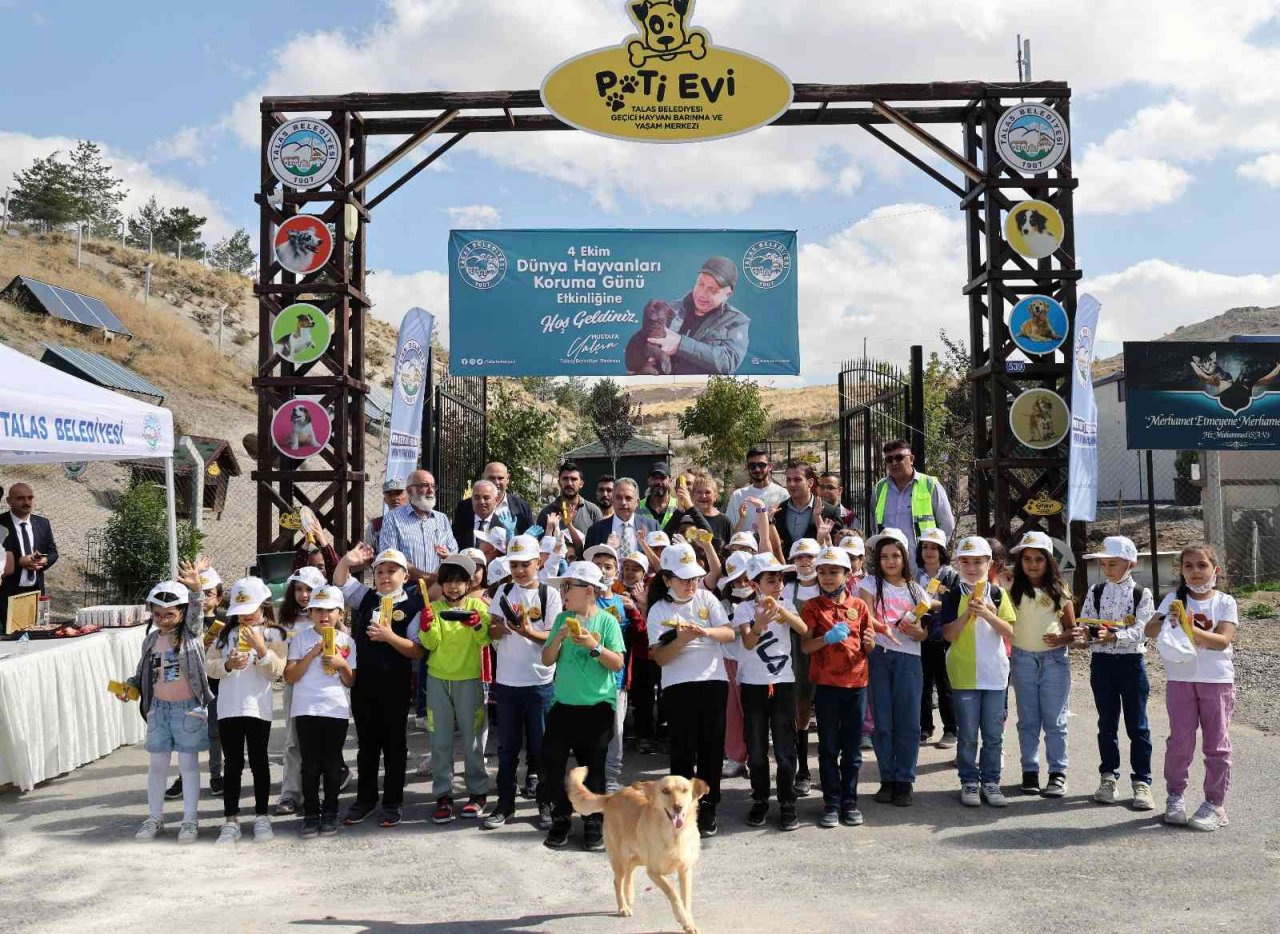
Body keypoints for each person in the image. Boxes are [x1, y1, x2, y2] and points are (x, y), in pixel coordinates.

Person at [333, 545, 428, 828]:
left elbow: (417, 651)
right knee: (367, 745)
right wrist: (346, 561)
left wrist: (389, 636)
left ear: (405, 576)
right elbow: (340, 582)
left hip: (395, 684)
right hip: (364, 683)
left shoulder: (412, 605)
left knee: (394, 745)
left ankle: (392, 802)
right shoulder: (366, 598)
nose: (385, 577)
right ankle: (365, 799)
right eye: (380, 572)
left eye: (392, 571)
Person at [1145, 543, 1238, 832]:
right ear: (1181, 571)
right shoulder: (1174, 598)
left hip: (1216, 680)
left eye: (1202, 565)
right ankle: (1175, 797)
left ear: (1215, 570)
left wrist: (1188, 626)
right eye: (1188, 566)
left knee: (1217, 746)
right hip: (1181, 680)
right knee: (1180, 743)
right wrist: (1164, 619)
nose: (1195, 572)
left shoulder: (1225, 601)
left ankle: (1215, 804)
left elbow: (1222, 640)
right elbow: (1149, 631)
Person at [647, 542, 737, 838]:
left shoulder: (707, 599)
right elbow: (659, 657)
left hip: (713, 681)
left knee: (712, 748)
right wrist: (682, 639)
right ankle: (680, 807)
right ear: (667, 579)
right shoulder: (659, 610)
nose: (690, 584)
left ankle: (709, 804)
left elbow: (728, 633)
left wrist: (705, 632)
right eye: (684, 579)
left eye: (694, 578)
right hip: (678, 686)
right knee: (683, 750)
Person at [123, 564, 214, 843]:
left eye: (170, 614)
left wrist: (196, 588)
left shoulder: (190, 635)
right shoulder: (151, 640)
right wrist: (131, 686)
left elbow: (198, 613)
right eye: (158, 614)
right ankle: (154, 817)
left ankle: (189, 820)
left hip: (188, 707)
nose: (163, 619)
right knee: (157, 765)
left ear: (182, 613)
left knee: (188, 765)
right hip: (158, 709)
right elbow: (142, 672)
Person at [537, 561, 625, 850]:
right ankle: (561, 819)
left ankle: (593, 823)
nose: (563, 593)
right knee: (553, 765)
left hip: (598, 707)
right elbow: (547, 660)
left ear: (589, 591)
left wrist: (593, 645)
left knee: (594, 770)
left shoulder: (607, 621)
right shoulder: (562, 619)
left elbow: (617, 662)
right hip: (563, 705)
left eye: (568, 587)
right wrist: (559, 638)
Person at [483, 535, 562, 830]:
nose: (518, 571)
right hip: (507, 683)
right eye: (514, 564)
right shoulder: (503, 590)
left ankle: (545, 803)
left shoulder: (549, 595)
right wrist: (497, 628)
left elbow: (554, 637)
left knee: (541, 748)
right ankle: (505, 804)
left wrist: (527, 631)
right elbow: (491, 628)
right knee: (507, 748)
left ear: (538, 563)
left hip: (540, 683)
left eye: (524, 564)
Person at [799, 546, 876, 829]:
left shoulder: (859, 606)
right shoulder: (812, 607)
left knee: (853, 749)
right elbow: (806, 646)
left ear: (846, 574)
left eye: (834, 572)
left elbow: (869, 646)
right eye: (822, 572)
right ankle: (831, 801)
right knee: (829, 747)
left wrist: (870, 642)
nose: (828, 577)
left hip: (857, 684)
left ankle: (850, 801)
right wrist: (826, 638)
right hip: (828, 686)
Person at [206, 577, 287, 843]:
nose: (244, 616)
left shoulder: (275, 633)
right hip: (229, 708)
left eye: (249, 610)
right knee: (233, 764)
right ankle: (231, 820)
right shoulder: (223, 633)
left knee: (259, 761)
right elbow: (210, 667)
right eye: (239, 612)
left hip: (258, 708)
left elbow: (276, 672)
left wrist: (261, 648)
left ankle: (262, 816)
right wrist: (228, 665)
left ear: (263, 605)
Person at [939, 537, 1017, 808]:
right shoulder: (950, 594)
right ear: (959, 563)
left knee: (994, 735)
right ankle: (969, 781)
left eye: (978, 562)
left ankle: (991, 782)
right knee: (968, 734)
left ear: (989, 564)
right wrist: (967, 616)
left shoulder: (998, 594)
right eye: (966, 562)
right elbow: (948, 635)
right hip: (963, 675)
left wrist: (988, 614)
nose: (972, 567)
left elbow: (1010, 632)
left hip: (995, 675)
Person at [1080, 536, 1155, 811]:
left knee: (1138, 725)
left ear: (1130, 563)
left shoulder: (1141, 594)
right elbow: (1087, 619)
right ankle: (1108, 777)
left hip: (1131, 663)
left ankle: (1142, 782)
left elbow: (1144, 631)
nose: (1107, 568)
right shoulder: (1096, 590)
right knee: (1106, 723)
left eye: (1113, 563)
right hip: (1102, 663)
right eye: (1103, 563)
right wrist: (1085, 633)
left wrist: (1115, 636)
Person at [735, 553, 807, 831]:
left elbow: (802, 629)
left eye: (780, 578)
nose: (778, 583)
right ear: (755, 585)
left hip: (783, 682)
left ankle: (787, 802)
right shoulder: (743, 610)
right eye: (770, 579)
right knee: (756, 749)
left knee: (785, 747)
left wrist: (781, 610)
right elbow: (749, 642)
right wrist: (760, 622)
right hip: (752, 684)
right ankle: (761, 799)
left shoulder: (787, 604)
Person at [419, 555, 491, 823]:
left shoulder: (477, 606)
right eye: (447, 582)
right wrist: (426, 626)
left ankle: (477, 793)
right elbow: (430, 643)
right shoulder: (434, 607)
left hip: (470, 679)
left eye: (459, 582)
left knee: (472, 741)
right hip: (437, 680)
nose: (452, 587)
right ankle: (443, 795)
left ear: (468, 583)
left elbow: (485, 639)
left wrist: (477, 625)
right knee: (440, 741)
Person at [1007, 531, 1079, 799]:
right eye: (1027, 559)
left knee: (1055, 720)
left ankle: (1057, 773)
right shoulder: (1011, 589)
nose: (1032, 564)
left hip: (1054, 661)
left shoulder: (1059, 590)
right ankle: (1029, 771)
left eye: (1039, 559)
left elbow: (1073, 629)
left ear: (1049, 561)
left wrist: (1061, 638)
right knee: (1027, 720)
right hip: (1022, 658)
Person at [860, 529, 928, 808]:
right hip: (878, 657)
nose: (890, 561)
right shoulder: (868, 583)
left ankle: (905, 780)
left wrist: (915, 631)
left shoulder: (916, 589)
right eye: (884, 556)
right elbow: (865, 617)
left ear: (904, 557)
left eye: (895, 555)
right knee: (882, 723)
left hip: (908, 659)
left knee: (908, 723)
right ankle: (887, 778)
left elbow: (923, 633)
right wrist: (884, 628)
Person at [285, 584, 357, 838]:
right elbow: (290, 676)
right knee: (310, 765)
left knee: (332, 763)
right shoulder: (301, 639)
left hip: (335, 709)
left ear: (340, 612)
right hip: (306, 708)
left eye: (330, 611)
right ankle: (311, 813)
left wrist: (341, 663)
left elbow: (351, 681)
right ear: (310, 613)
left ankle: (331, 811)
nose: (324, 616)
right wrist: (312, 653)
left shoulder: (347, 642)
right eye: (317, 610)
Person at [585, 544, 643, 794]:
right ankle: (591, 776)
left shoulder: (623, 602)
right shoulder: (584, 600)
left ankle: (611, 777)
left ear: (616, 571)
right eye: (597, 566)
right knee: (590, 731)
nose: (602, 571)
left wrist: (636, 611)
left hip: (617, 679)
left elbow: (642, 638)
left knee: (616, 731)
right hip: (587, 678)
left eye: (608, 566)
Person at [646, 256, 750, 375]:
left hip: (703, 391)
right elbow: (647, 343)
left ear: (728, 295)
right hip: (659, 389)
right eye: (700, 284)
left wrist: (680, 344)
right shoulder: (670, 308)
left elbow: (727, 362)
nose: (702, 294)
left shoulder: (736, 321)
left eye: (713, 290)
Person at [869, 440, 955, 574]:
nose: (894, 463)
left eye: (899, 457)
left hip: (921, 567)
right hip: (890, 567)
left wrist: (933, 556)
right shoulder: (880, 488)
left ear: (912, 459)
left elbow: (947, 525)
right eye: (889, 459)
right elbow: (875, 527)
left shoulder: (930, 484)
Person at [915, 528, 959, 749]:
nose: (929, 551)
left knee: (945, 684)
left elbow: (956, 603)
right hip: (921, 636)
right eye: (925, 547)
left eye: (934, 547)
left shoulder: (951, 575)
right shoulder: (915, 574)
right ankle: (925, 728)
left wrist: (935, 603)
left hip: (944, 635)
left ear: (942, 551)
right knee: (922, 684)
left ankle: (951, 729)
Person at [784, 538, 822, 798]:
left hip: (826, 654)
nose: (805, 561)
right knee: (800, 713)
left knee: (831, 714)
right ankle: (803, 771)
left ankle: (831, 772)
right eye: (799, 557)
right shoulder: (786, 589)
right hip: (796, 655)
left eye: (809, 556)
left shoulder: (828, 585)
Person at [0, 482, 58, 633]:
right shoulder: (1, 524)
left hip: (35, 593)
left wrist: (45, 560)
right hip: (8, 594)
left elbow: (52, 551)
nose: (26, 502)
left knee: (35, 636)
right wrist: (19, 562)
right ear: (9, 501)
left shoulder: (42, 523)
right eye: (20, 498)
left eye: (30, 498)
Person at [774, 461, 843, 557]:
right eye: (788, 480)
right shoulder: (778, 511)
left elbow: (836, 548)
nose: (791, 484)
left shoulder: (829, 512)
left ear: (810, 483)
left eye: (797, 479)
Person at [536, 461, 604, 557]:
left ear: (581, 483)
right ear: (559, 482)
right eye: (565, 479)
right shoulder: (547, 513)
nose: (569, 483)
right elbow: (541, 550)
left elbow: (599, 547)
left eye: (574, 479)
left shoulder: (593, 511)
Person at [584, 478, 659, 553]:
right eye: (619, 498)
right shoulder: (595, 531)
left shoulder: (652, 527)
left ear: (637, 502)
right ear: (612, 500)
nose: (623, 502)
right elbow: (589, 562)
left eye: (628, 498)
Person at [726, 448, 788, 534]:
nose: (757, 469)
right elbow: (730, 528)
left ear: (770, 466)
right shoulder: (738, 495)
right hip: (744, 546)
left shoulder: (782, 494)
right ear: (747, 467)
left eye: (761, 465)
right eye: (752, 466)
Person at [454, 480, 503, 551]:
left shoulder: (502, 526)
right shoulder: (461, 522)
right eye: (477, 498)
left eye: (486, 498)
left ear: (496, 500)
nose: (481, 502)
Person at [689, 471, 732, 551]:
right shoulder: (687, 518)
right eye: (699, 492)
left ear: (715, 495)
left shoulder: (725, 522)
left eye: (708, 492)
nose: (703, 496)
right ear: (693, 495)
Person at [362, 479, 408, 550]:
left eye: (398, 493)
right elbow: (366, 554)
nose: (394, 498)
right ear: (385, 500)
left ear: (408, 497)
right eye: (390, 494)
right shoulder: (375, 525)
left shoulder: (416, 522)